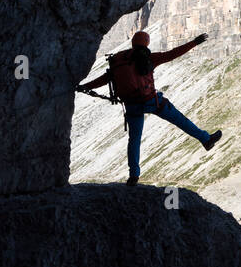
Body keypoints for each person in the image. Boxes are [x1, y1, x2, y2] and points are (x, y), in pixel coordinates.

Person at [78, 31, 222, 185]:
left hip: (131, 105)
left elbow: (104, 79)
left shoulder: (119, 61)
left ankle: (134, 175)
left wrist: (84, 87)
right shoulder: (149, 58)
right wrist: (194, 42)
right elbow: (172, 54)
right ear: (146, 43)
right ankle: (206, 139)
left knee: (134, 140)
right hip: (151, 101)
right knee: (179, 120)